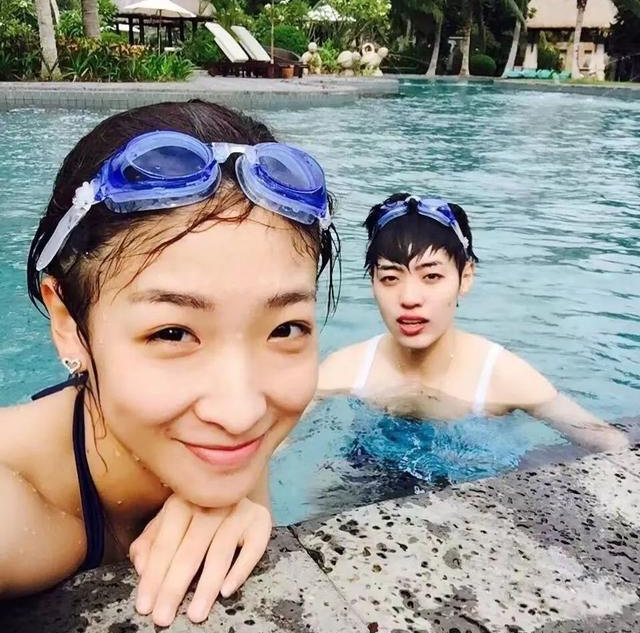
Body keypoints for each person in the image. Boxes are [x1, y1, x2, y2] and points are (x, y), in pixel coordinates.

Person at [0, 101, 338, 626]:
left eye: (284, 329)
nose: (242, 414)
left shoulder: (228, 435)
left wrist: (232, 498)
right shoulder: (16, 511)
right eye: (172, 333)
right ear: (67, 321)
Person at [318, 193, 627, 453]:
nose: (409, 298)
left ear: (465, 277)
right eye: (390, 278)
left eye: (431, 276)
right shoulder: (346, 370)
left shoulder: (503, 376)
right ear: (372, 282)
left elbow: (610, 445)